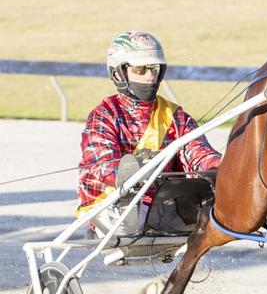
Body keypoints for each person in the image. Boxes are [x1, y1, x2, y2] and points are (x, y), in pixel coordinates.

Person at [76, 30, 222, 236]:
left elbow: (199, 154)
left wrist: (222, 168)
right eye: (141, 69)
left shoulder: (174, 115)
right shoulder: (104, 115)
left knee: (215, 198)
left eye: (154, 69)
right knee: (130, 215)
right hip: (114, 205)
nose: (150, 76)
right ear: (118, 73)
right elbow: (102, 167)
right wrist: (136, 169)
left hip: (163, 204)